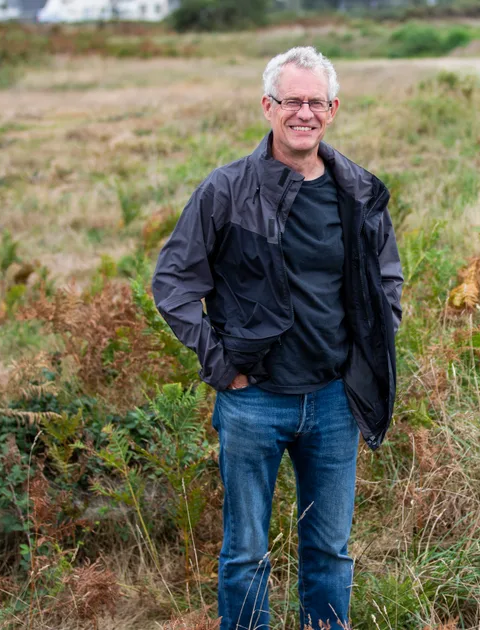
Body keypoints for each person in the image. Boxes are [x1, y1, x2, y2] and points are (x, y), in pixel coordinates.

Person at [151, 46, 403, 630]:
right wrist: (221, 365)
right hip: (253, 400)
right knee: (244, 555)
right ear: (269, 106)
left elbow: (386, 277)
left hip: (335, 400)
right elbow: (173, 283)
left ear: (333, 109)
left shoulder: (359, 192)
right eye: (292, 101)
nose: (304, 113)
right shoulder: (226, 191)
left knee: (330, 554)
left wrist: (374, 338)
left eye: (316, 102)